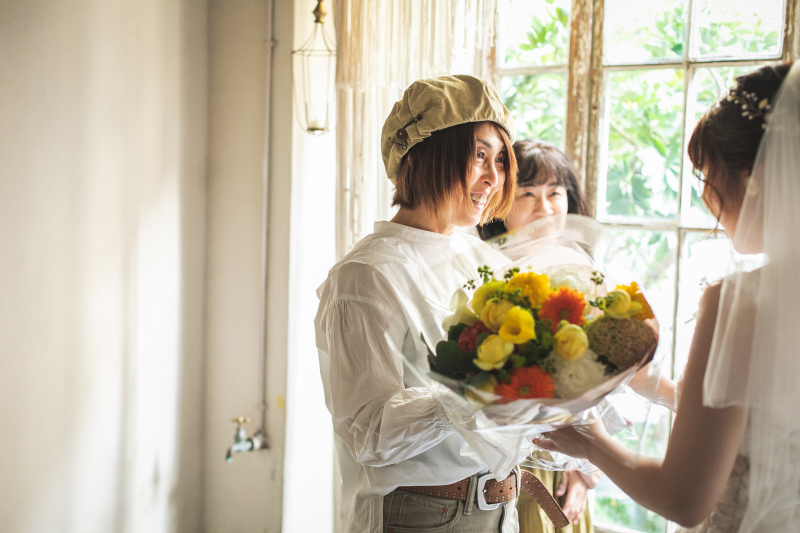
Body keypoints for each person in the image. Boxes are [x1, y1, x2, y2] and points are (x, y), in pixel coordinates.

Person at [532, 63, 800, 532]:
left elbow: (684, 499)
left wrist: (588, 441)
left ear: (753, 179)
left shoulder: (740, 303)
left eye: (709, 176)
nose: (706, 198)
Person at [315, 75, 568, 533]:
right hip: (423, 516)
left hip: (500, 508)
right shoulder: (365, 276)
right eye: (478, 157)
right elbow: (368, 433)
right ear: (427, 155)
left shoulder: (480, 259)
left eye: (500, 160)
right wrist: (474, 391)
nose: (494, 178)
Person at [478, 141, 600, 533]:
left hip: (567, 461)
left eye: (555, 193)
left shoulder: (585, 273)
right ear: (501, 202)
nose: (544, 207)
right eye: (527, 194)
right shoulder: (482, 274)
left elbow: (599, 374)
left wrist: (585, 465)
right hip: (503, 463)